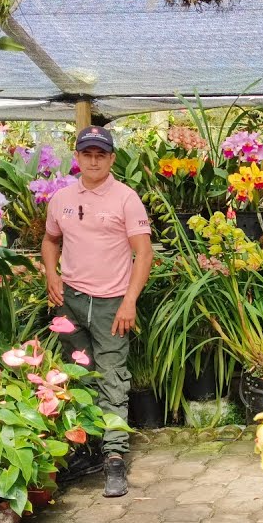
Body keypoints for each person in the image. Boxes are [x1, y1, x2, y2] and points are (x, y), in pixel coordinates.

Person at [42, 126, 153, 497]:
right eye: (87, 154)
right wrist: (50, 275)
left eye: (100, 155)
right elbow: (50, 239)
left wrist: (129, 300)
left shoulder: (126, 199)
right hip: (69, 302)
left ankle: (114, 458)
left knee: (112, 379)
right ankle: (83, 450)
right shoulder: (61, 199)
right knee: (76, 374)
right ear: (77, 157)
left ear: (111, 159)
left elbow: (144, 253)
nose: (93, 161)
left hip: (111, 306)